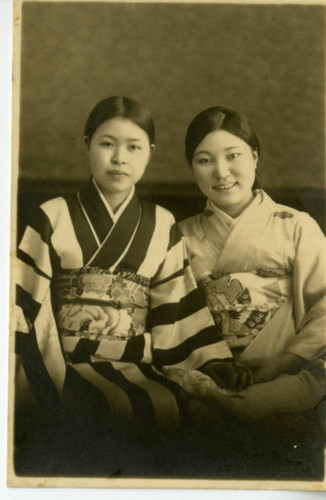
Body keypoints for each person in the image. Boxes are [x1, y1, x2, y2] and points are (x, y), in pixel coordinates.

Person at [13, 96, 233, 475]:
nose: (119, 158)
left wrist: (209, 361)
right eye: (106, 144)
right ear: (86, 145)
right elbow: (24, 302)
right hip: (61, 358)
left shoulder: (163, 223)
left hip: (136, 358)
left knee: (170, 407)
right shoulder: (51, 215)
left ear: (149, 153)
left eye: (133, 147)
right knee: (68, 408)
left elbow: (175, 307)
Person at [175, 105, 326, 423]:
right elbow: (171, 319)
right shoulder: (179, 235)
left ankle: (244, 401)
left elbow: (324, 308)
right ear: (191, 167)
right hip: (210, 369)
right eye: (205, 160)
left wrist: (284, 361)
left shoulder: (296, 225)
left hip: (286, 367)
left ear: (255, 157)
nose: (221, 171)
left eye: (233, 156)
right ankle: (224, 397)